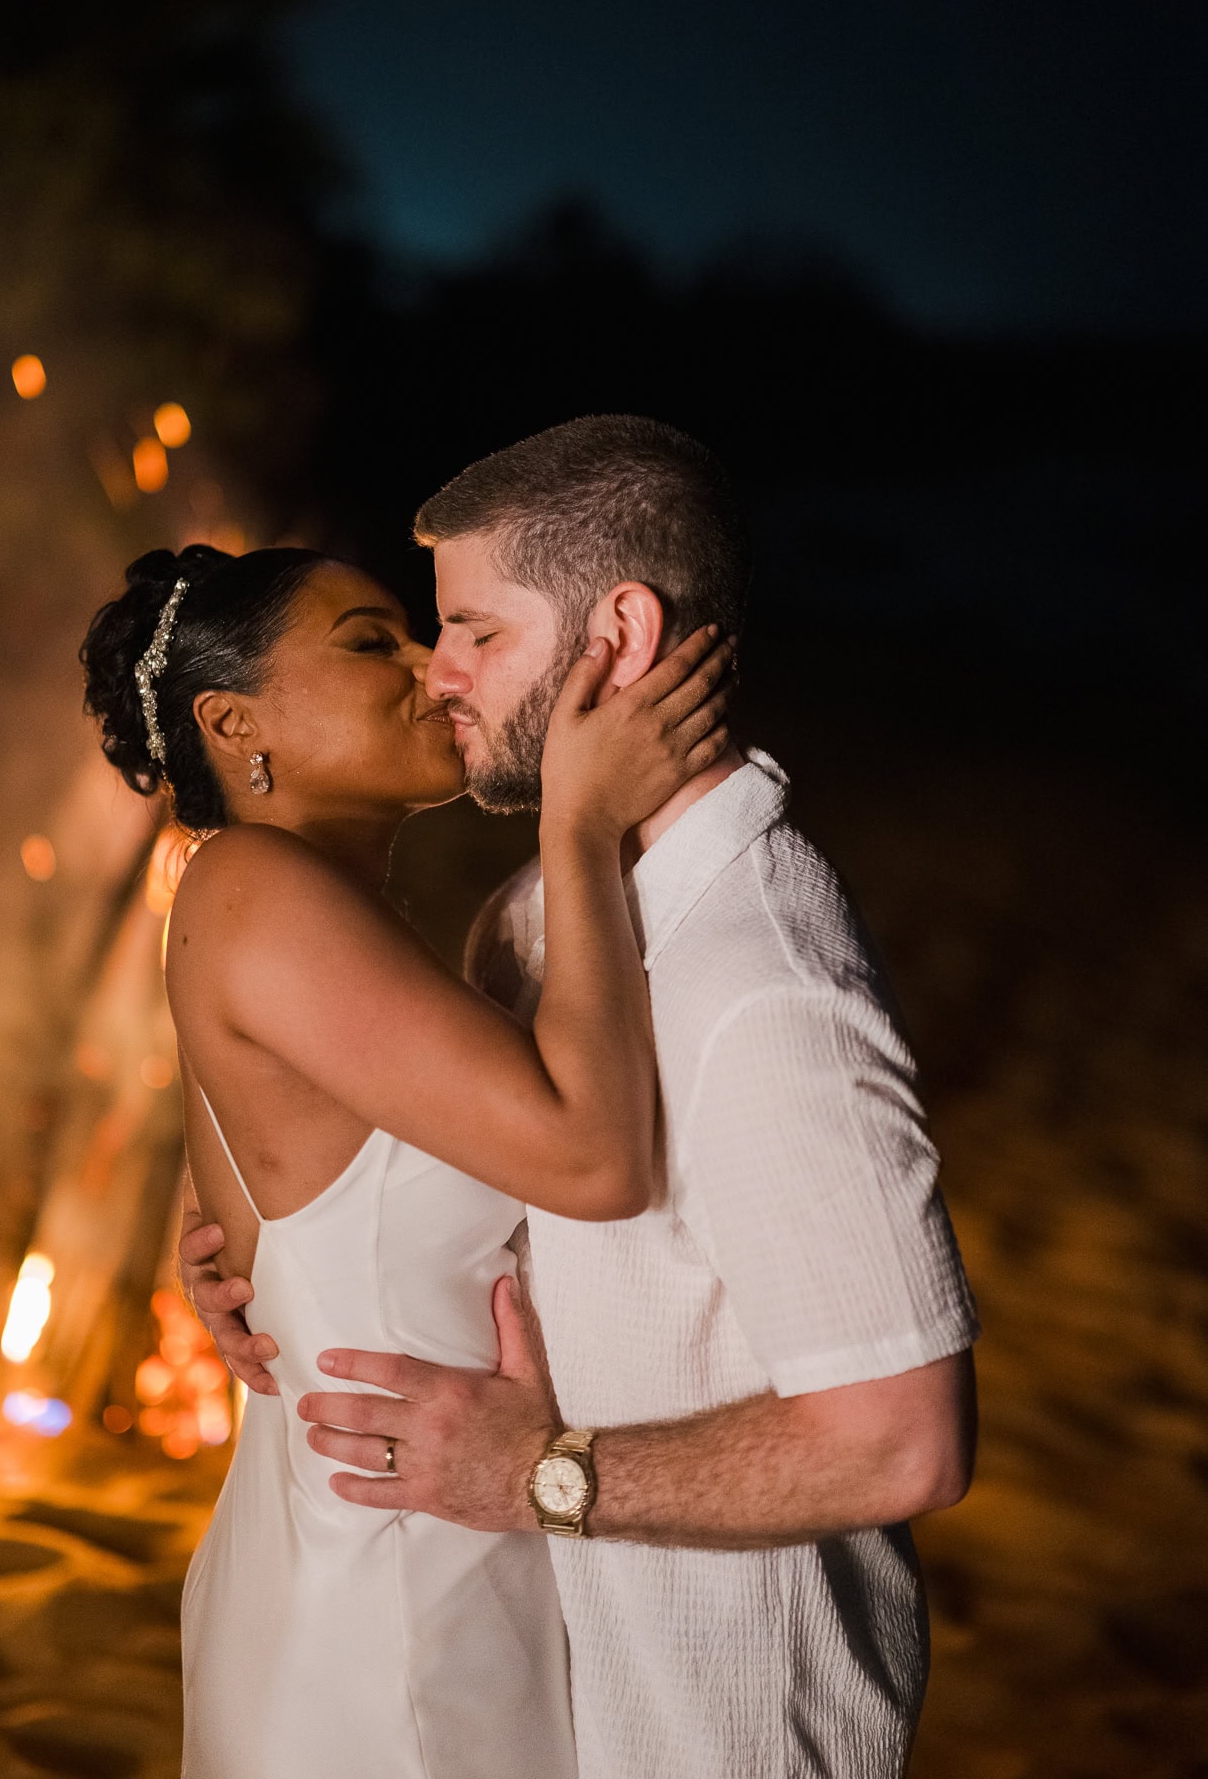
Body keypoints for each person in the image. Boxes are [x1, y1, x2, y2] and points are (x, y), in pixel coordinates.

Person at [187, 417, 980, 1779]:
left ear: (616, 636)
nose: (439, 677)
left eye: (473, 635)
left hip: (726, 1722)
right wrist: (255, 1237)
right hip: (562, 1674)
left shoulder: (765, 985)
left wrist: (537, 1475)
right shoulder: (542, 924)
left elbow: (904, 1446)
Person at [79, 538, 732, 1779]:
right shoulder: (253, 886)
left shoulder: (293, 906)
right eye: (371, 642)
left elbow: (296, 1174)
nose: (433, 667)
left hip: (398, 1556)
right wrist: (581, 825)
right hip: (393, 1617)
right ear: (235, 723)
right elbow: (593, 1158)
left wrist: (243, 1257)